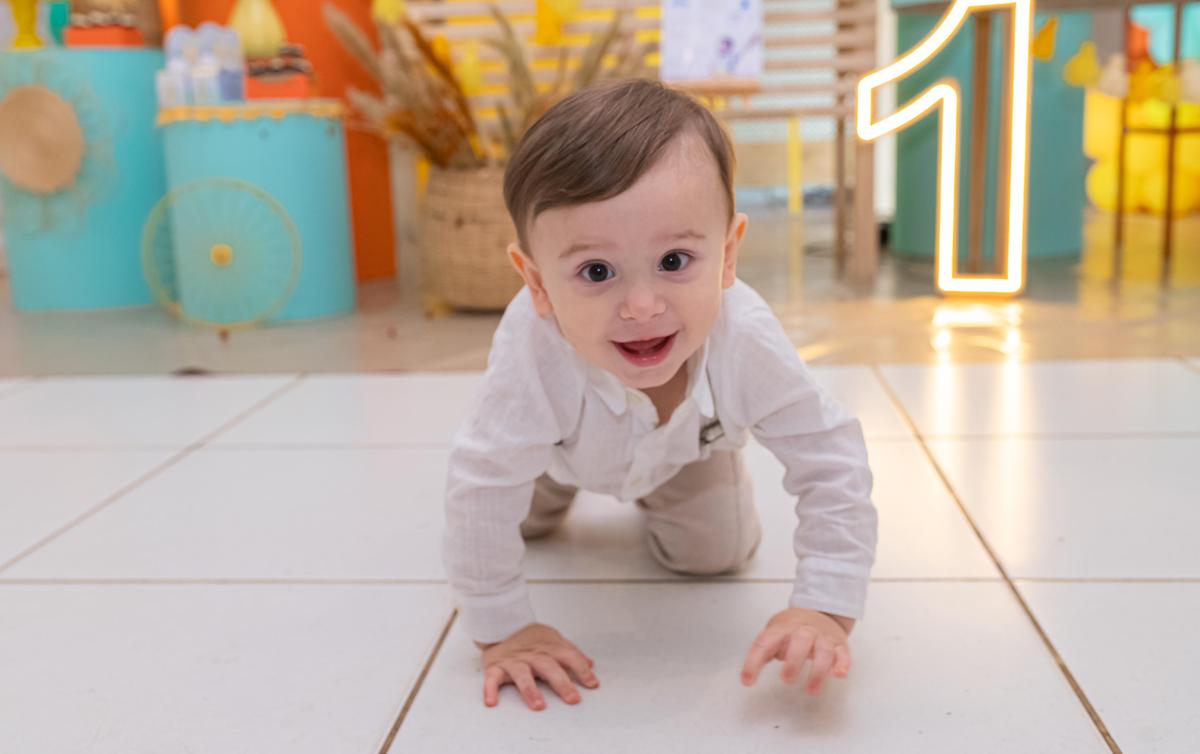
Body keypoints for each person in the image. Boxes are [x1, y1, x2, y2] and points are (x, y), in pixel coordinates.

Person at [441, 78, 878, 712]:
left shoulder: (744, 337)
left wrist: (826, 607)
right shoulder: (533, 347)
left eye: (674, 261)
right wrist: (502, 628)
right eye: (596, 272)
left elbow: (831, 458)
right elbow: (480, 481)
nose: (642, 307)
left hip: (687, 455)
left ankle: (673, 490)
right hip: (558, 444)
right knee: (514, 511)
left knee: (715, 556)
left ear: (728, 254)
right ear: (536, 283)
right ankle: (547, 484)